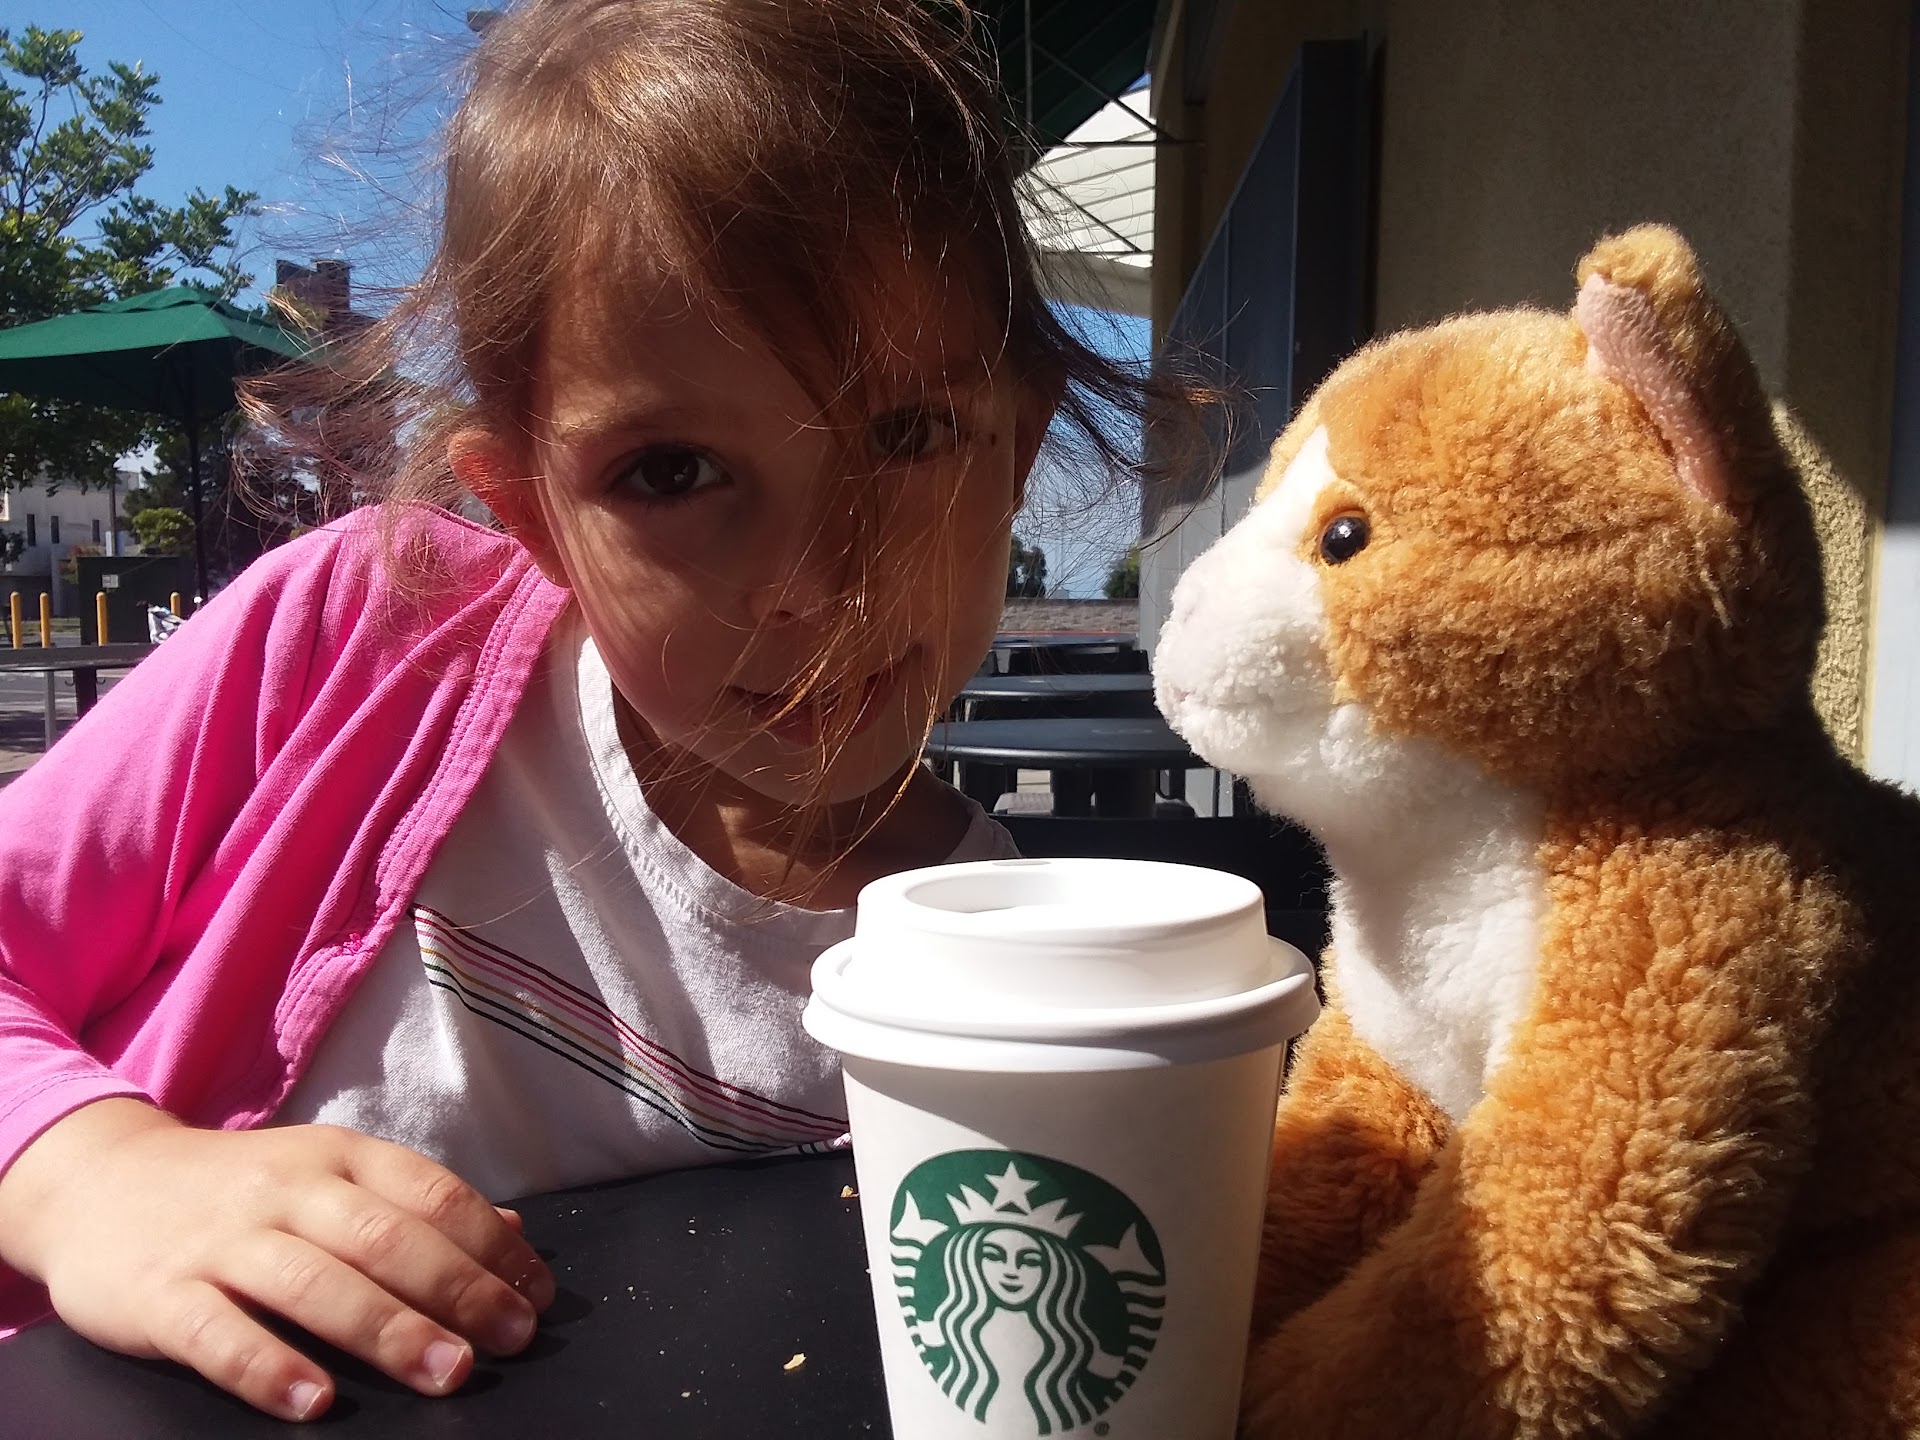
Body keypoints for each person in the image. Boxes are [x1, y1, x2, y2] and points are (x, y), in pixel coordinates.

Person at [0, 0, 1200, 1424]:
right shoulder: (359, 647)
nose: (812, 586)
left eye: (907, 434)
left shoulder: (984, 982)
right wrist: (89, 1173)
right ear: (529, 509)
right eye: (670, 471)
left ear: (1020, 442)